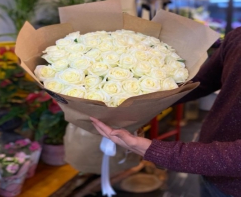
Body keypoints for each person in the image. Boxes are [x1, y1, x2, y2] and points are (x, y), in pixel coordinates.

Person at [90, 27, 241, 197]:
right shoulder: (237, 36)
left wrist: (154, 150)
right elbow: (202, 82)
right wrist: (136, 100)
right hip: (208, 164)